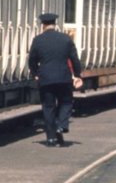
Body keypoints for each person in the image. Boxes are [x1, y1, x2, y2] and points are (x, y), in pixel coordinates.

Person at [28, 12, 83, 147]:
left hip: (45, 78)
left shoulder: (38, 40)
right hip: (63, 77)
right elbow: (74, 59)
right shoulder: (65, 39)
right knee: (66, 102)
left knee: (48, 107)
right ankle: (62, 125)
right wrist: (77, 75)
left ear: (43, 25)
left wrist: (35, 73)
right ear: (55, 24)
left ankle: (51, 138)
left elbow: (32, 60)